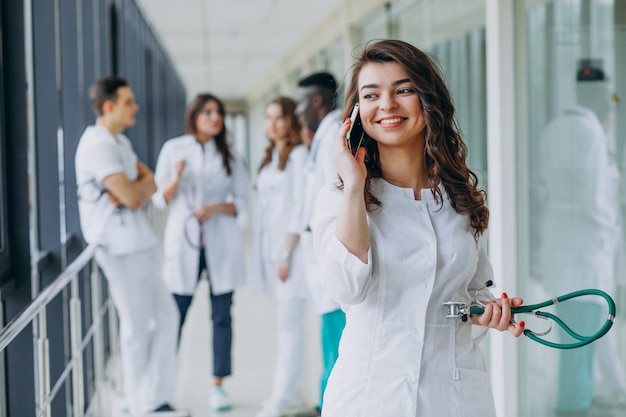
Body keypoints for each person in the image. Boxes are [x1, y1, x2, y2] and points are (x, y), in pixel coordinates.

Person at [311, 40, 525, 416]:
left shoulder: (462, 197)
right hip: (370, 397)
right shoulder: (341, 197)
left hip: (455, 397)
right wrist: (355, 185)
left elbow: (473, 293)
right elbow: (345, 287)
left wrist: (491, 311)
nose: (388, 105)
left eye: (403, 90)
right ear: (357, 113)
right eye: (372, 95)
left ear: (428, 99)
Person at [74, 77, 188, 417]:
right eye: (128, 102)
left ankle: (151, 398)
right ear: (108, 107)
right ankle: (141, 403)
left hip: (138, 242)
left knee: (166, 317)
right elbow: (135, 196)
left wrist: (136, 188)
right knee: (137, 326)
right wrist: (134, 189)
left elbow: (147, 185)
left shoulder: (119, 142)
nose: (135, 107)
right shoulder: (97, 145)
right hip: (118, 247)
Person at [152, 93, 249, 413]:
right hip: (185, 241)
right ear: (194, 116)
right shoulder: (174, 149)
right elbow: (159, 199)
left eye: (218, 112)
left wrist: (215, 208)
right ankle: (160, 385)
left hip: (221, 240)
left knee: (222, 316)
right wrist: (177, 176)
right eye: (207, 112)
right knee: (174, 314)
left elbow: (244, 202)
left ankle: (218, 386)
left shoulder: (230, 155)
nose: (215, 118)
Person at [538, 64, 626, 416]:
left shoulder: (554, 128)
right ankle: (574, 404)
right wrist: (611, 222)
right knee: (584, 332)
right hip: (585, 245)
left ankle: (586, 395)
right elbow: (593, 198)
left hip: (565, 242)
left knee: (577, 328)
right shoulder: (590, 133)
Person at [249, 97, 310, 417]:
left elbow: (300, 207)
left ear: (291, 122)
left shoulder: (299, 156)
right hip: (270, 253)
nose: (272, 124)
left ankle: (282, 396)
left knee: (289, 326)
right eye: (267, 117)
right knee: (283, 325)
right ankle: (294, 391)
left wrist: (286, 252)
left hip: (290, 254)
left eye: (279, 117)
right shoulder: (272, 157)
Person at [294, 72, 346, 417]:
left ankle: (330, 404)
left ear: (316, 101)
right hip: (320, 252)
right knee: (329, 333)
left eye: (301, 103)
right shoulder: (323, 134)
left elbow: (338, 197)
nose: (298, 111)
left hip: (332, 253)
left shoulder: (332, 135)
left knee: (337, 337)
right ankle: (324, 400)